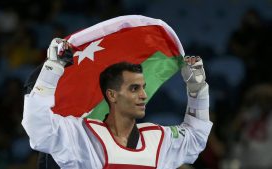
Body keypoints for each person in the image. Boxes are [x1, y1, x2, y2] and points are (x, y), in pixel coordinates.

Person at [22, 38, 212, 169]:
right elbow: (38, 127)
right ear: (112, 95)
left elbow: (196, 138)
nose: (144, 95)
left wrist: (197, 89)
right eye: (134, 89)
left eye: (143, 87)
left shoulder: (158, 139)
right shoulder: (83, 135)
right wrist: (52, 68)